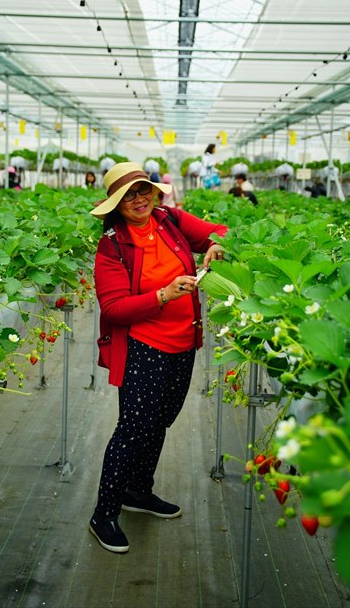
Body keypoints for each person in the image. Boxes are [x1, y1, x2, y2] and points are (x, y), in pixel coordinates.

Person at [88, 162, 228, 553]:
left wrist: (215, 245)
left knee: (160, 421)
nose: (139, 199)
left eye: (143, 190)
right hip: (144, 347)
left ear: (153, 191)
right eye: (129, 195)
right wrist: (163, 295)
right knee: (133, 428)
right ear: (116, 204)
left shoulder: (169, 220)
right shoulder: (113, 245)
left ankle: (138, 490)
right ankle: (104, 514)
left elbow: (217, 232)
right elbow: (113, 308)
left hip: (183, 343)